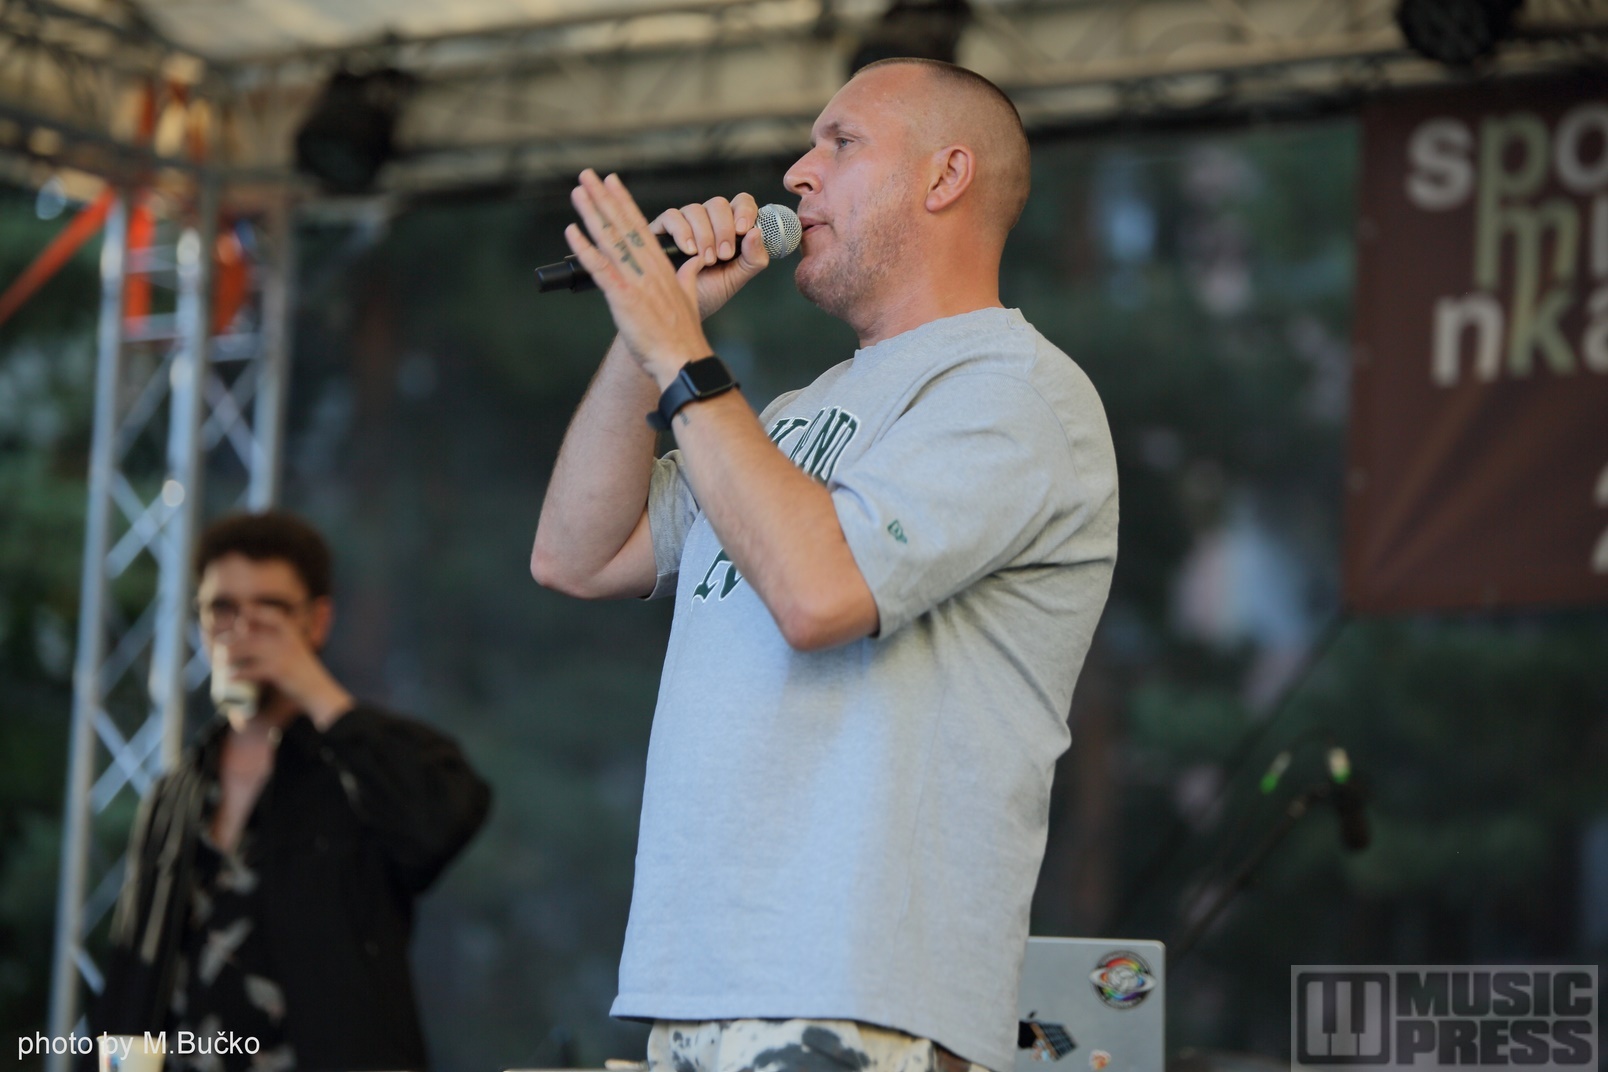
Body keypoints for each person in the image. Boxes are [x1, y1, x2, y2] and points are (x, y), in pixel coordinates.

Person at [531, 58, 1118, 1072]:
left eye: (840, 144)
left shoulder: (1016, 393)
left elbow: (819, 595)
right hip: (700, 982)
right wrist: (648, 333)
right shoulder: (786, 417)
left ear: (945, 177)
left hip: (861, 993)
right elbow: (577, 555)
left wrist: (680, 357)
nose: (797, 174)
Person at [95, 511, 491, 1072]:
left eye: (272, 609)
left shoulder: (359, 762)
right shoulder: (178, 789)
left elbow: (437, 826)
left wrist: (311, 686)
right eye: (223, 608)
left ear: (317, 621)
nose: (244, 629)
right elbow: (134, 967)